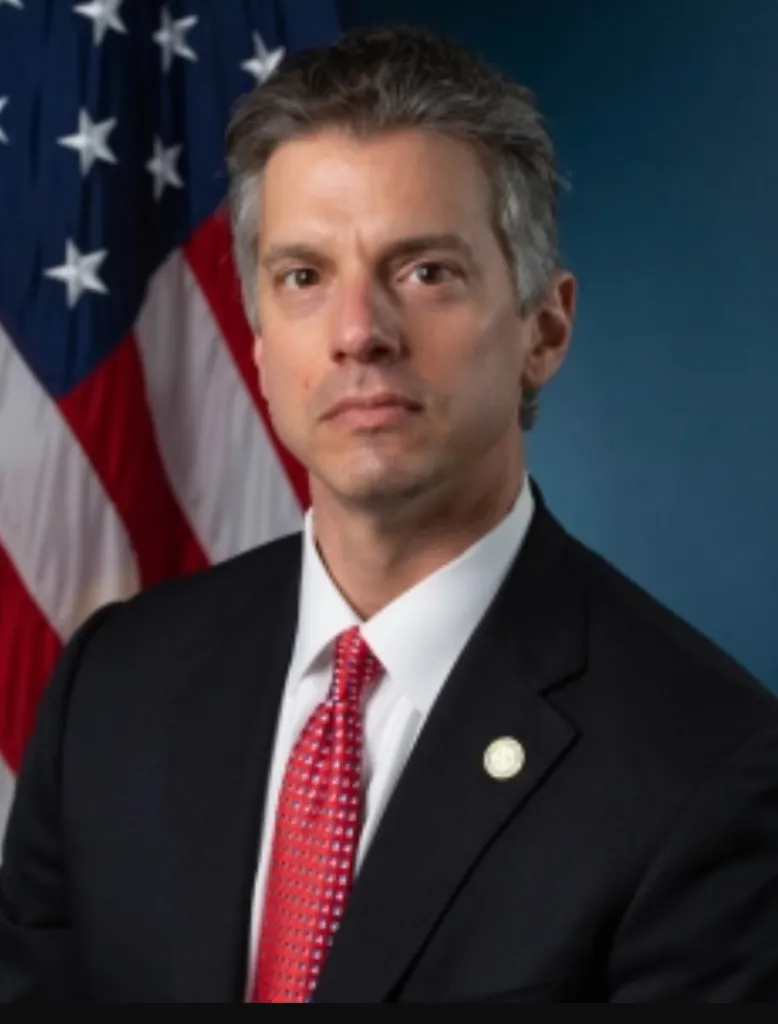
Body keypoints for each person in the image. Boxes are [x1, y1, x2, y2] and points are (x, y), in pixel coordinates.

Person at [1, 24, 777, 1004]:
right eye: (304, 277)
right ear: (257, 347)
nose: (360, 332)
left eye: (425, 271)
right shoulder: (110, 691)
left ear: (544, 329)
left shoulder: (708, 767)